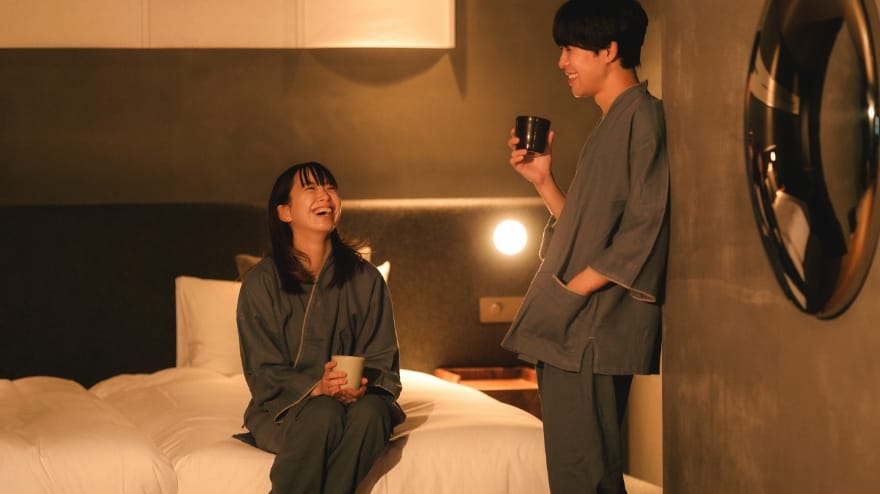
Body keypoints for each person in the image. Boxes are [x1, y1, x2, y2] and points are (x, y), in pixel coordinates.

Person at [500, 1, 669, 493]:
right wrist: (543, 181)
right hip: (573, 326)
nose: (562, 62)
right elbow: (588, 227)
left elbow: (646, 226)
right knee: (577, 472)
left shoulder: (642, 117)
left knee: (585, 477)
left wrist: (572, 293)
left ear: (609, 50)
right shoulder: (611, 122)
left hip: (590, 327)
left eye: (570, 49)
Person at [236, 162, 405, 494]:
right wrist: (317, 387)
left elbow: (382, 358)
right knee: (323, 413)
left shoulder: (366, 278)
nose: (325, 195)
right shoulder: (260, 283)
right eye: (310, 188)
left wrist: (360, 386)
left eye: (330, 187)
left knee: (373, 413)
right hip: (283, 409)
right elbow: (262, 369)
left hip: (357, 403)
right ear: (284, 212)